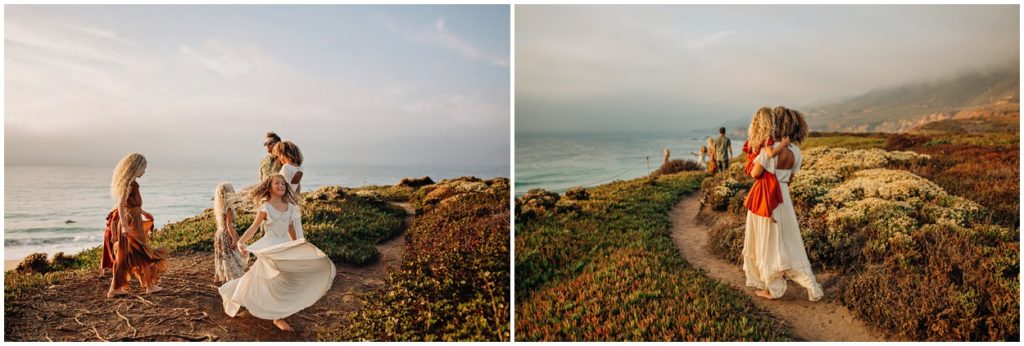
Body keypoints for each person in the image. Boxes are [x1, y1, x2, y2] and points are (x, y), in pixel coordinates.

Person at [219, 174, 334, 332]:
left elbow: (291, 228)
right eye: (277, 183)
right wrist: (241, 241)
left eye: (283, 184)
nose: (281, 186)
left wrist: (298, 246)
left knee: (280, 279)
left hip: (284, 245)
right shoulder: (265, 207)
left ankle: (262, 308)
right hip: (270, 247)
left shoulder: (291, 207)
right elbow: (254, 227)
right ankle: (275, 316)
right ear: (269, 187)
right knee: (265, 278)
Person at [742, 106, 822, 301]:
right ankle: (809, 283)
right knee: (789, 240)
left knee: (768, 242)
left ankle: (774, 288)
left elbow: (755, 174)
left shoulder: (768, 150)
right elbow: (790, 179)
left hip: (767, 199)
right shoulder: (796, 152)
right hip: (784, 197)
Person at [106, 153, 168, 298]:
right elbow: (121, 206)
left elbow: (132, 206)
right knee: (142, 253)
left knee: (133, 254)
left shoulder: (132, 183)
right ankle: (148, 286)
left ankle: (122, 288)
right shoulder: (129, 184)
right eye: (143, 168)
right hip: (131, 222)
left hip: (134, 219)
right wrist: (125, 226)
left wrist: (145, 213)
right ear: (136, 167)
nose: (144, 172)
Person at [743, 107, 791, 223]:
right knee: (771, 181)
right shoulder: (767, 136)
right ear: (769, 120)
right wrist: (784, 144)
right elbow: (770, 153)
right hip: (756, 165)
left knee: (764, 183)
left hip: (751, 163)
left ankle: (765, 209)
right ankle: (768, 211)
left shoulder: (755, 135)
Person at [213, 183, 247, 284]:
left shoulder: (219, 206)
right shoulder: (228, 207)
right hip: (226, 234)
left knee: (221, 256)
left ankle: (218, 277)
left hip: (219, 233)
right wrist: (234, 239)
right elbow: (229, 225)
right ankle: (232, 276)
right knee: (231, 255)